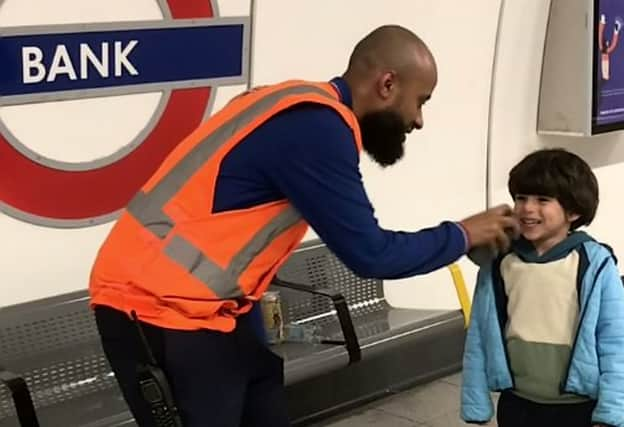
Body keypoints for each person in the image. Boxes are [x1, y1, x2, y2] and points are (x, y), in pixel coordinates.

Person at [90, 24, 519, 427]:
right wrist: (462, 234)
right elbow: (371, 253)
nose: (420, 120)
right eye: (421, 100)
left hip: (220, 309)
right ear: (388, 85)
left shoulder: (297, 103)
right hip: (155, 310)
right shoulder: (316, 127)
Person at [460, 148, 624, 427]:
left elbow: (617, 342)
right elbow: (481, 333)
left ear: (573, 210)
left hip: (577, 407)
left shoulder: (594, 264)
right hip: (517, 402)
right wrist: (475, 401)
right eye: (521, 198)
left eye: (542, 199)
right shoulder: (503, 262)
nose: (527, 208)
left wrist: (613, 413)